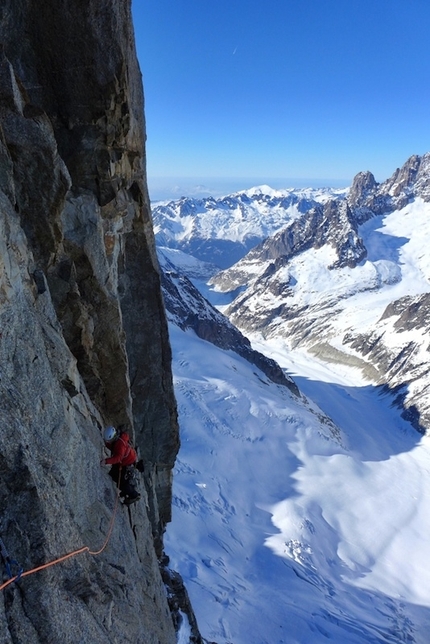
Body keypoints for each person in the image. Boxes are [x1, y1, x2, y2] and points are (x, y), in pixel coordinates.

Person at [101, 426, 141, 506]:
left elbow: (118, 458)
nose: (110, 441)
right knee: (113, 474)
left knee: (122, 483)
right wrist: (106, 444)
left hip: (126, 463)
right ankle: (127, 491)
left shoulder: (120, 445)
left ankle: (134, 495)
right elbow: (113, 448)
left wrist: (106, 461)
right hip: (126, 460)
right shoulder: (118, 439)